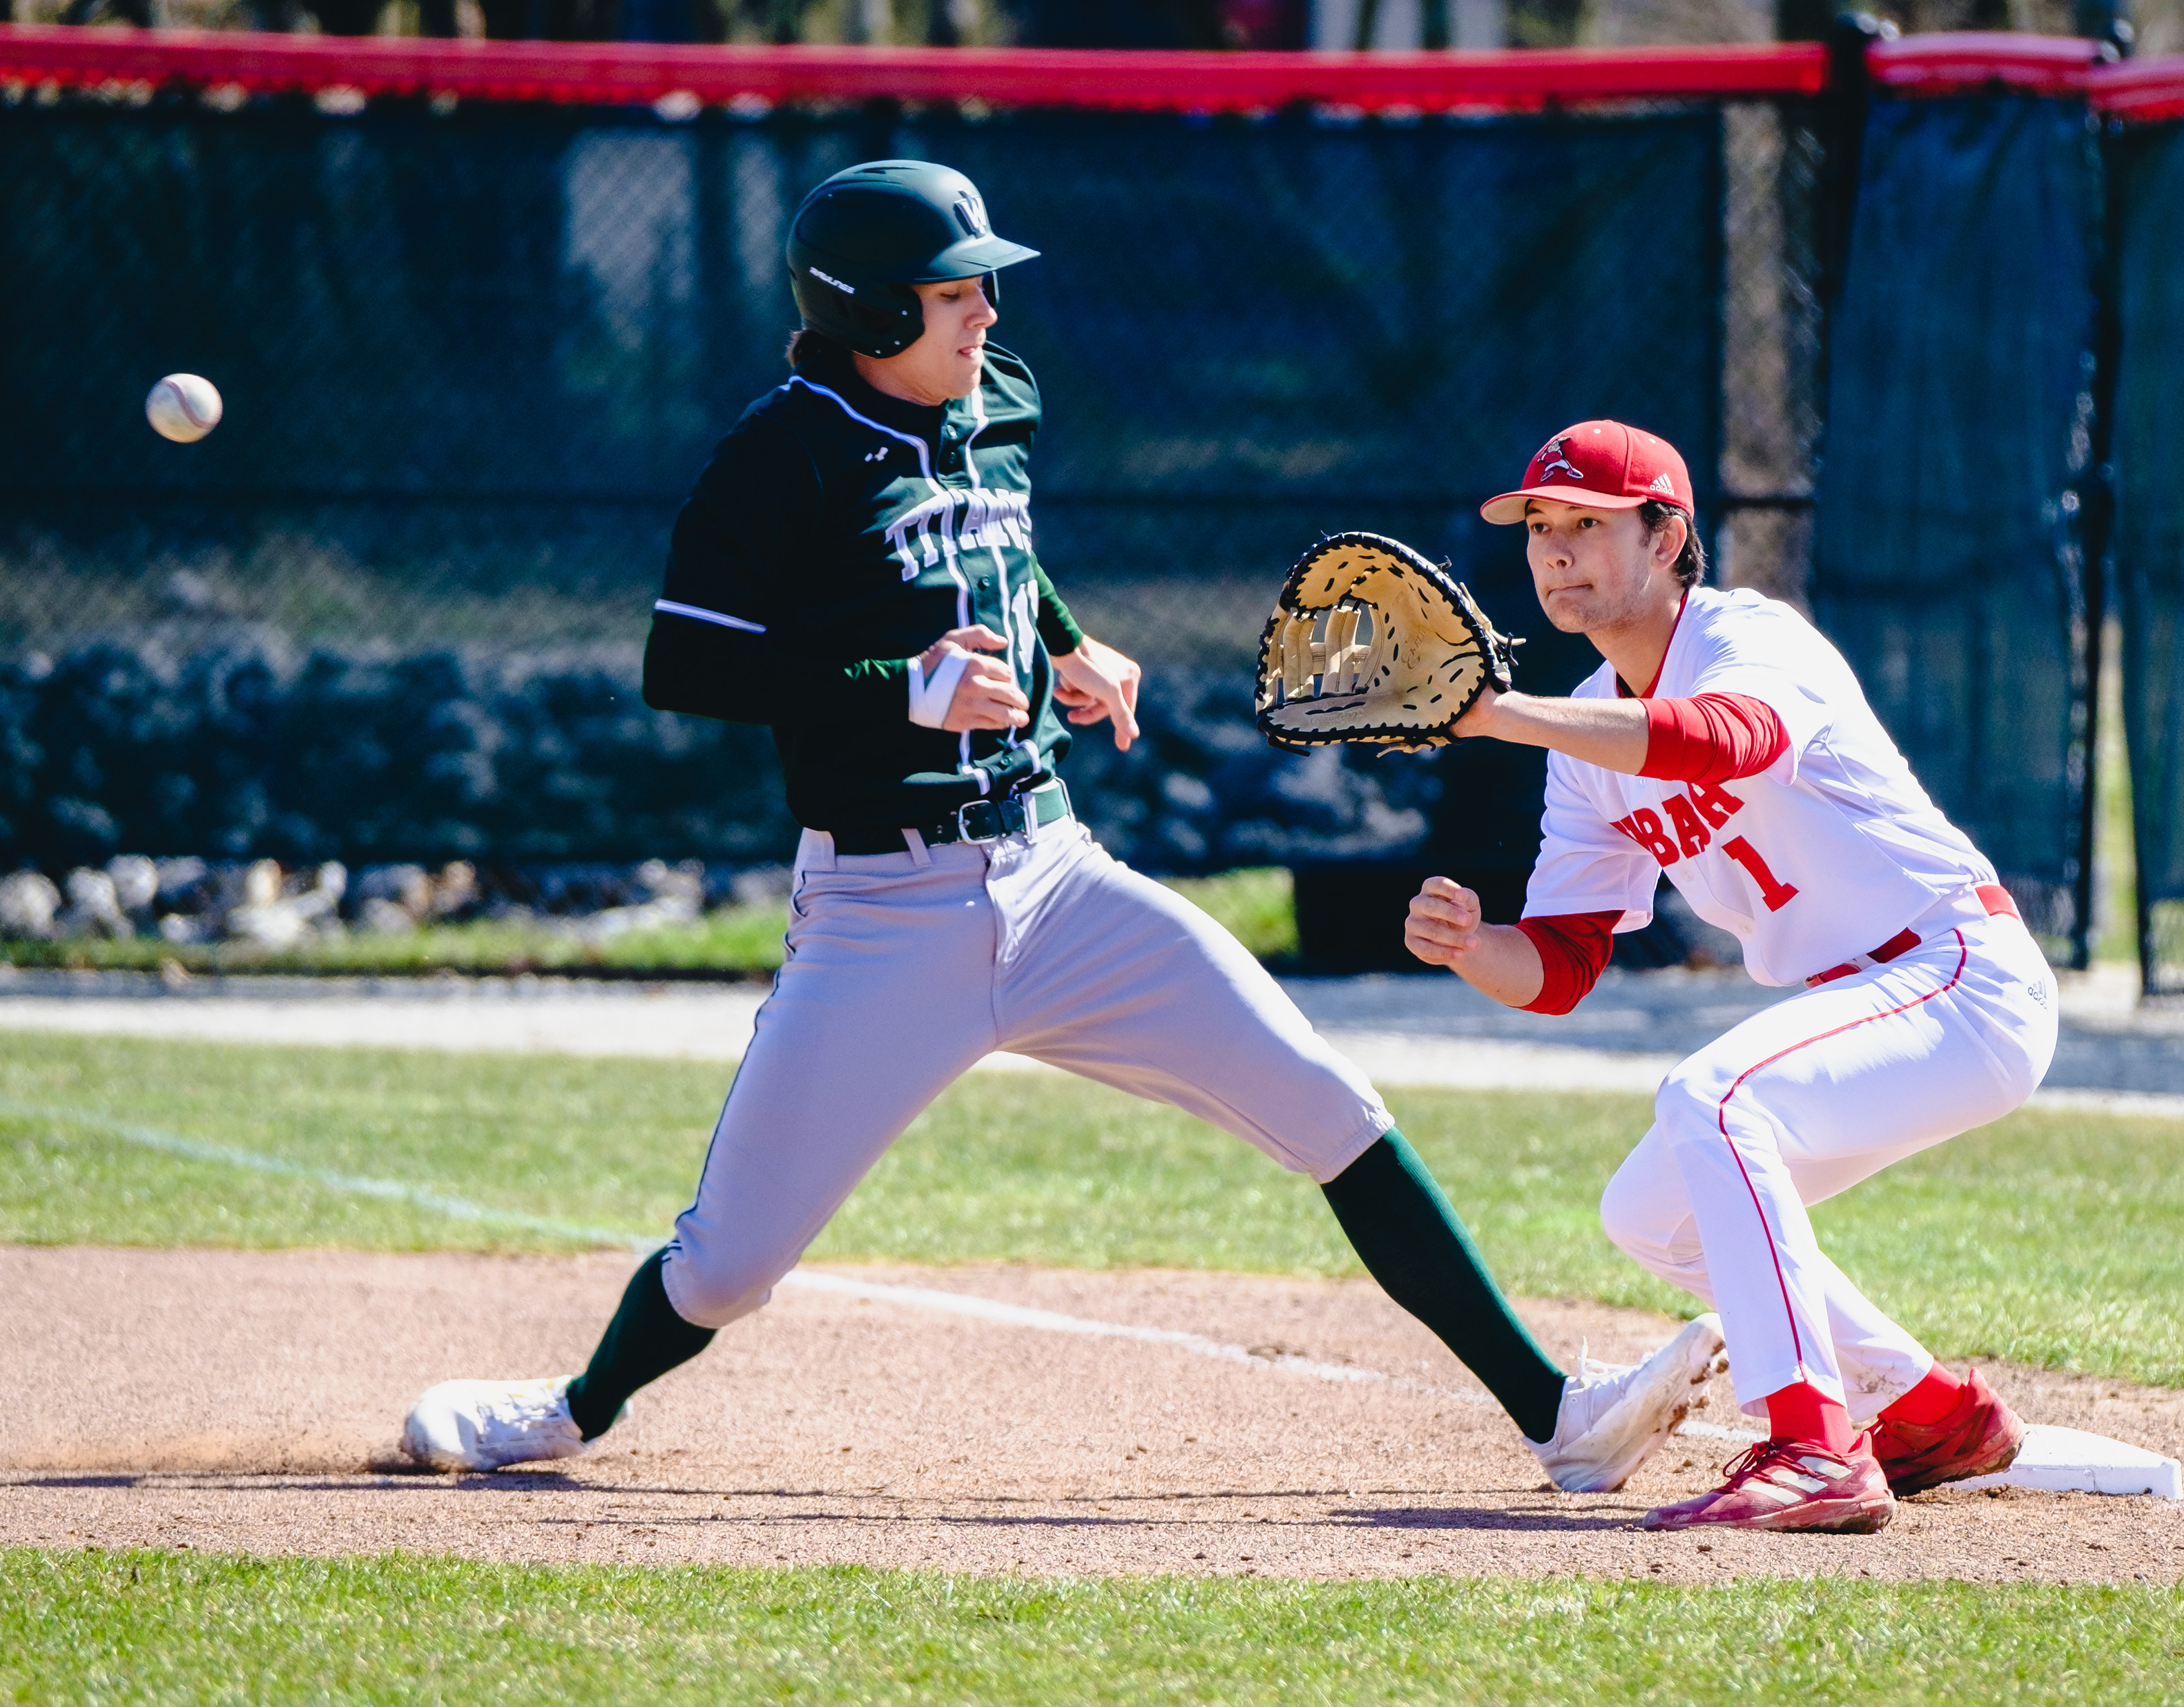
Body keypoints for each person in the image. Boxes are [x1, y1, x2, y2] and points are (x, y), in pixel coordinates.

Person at [399, 165, 1721, 1494]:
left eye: (983, 286)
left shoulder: (998, 396)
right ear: (866, 316)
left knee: (1329, 1106)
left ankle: (1562, 1419)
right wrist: (896, 689)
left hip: (1056, 873)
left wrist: (1069, 639)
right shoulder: (778, 454)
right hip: (881, 911)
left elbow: (999, 540)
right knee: (728, 1265)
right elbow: (685, 668)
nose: (983, 311)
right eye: (952, 290)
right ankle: (572, 1409)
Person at [1403, 420, 2057, 1534]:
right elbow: (1561, 968)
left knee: (1716, 1098)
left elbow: (1723, 740)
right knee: (1652, 1217)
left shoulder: (1752, 638)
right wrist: (1476, 948)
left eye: (1589, 526)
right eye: (1541, 529)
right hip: (1864, 1005)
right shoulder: (1581, 742)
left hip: (1959, 972)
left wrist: (1502, 717)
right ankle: (1929, 1410)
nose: (1556, 551)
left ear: (1669, 538)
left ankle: (1812, 1446)